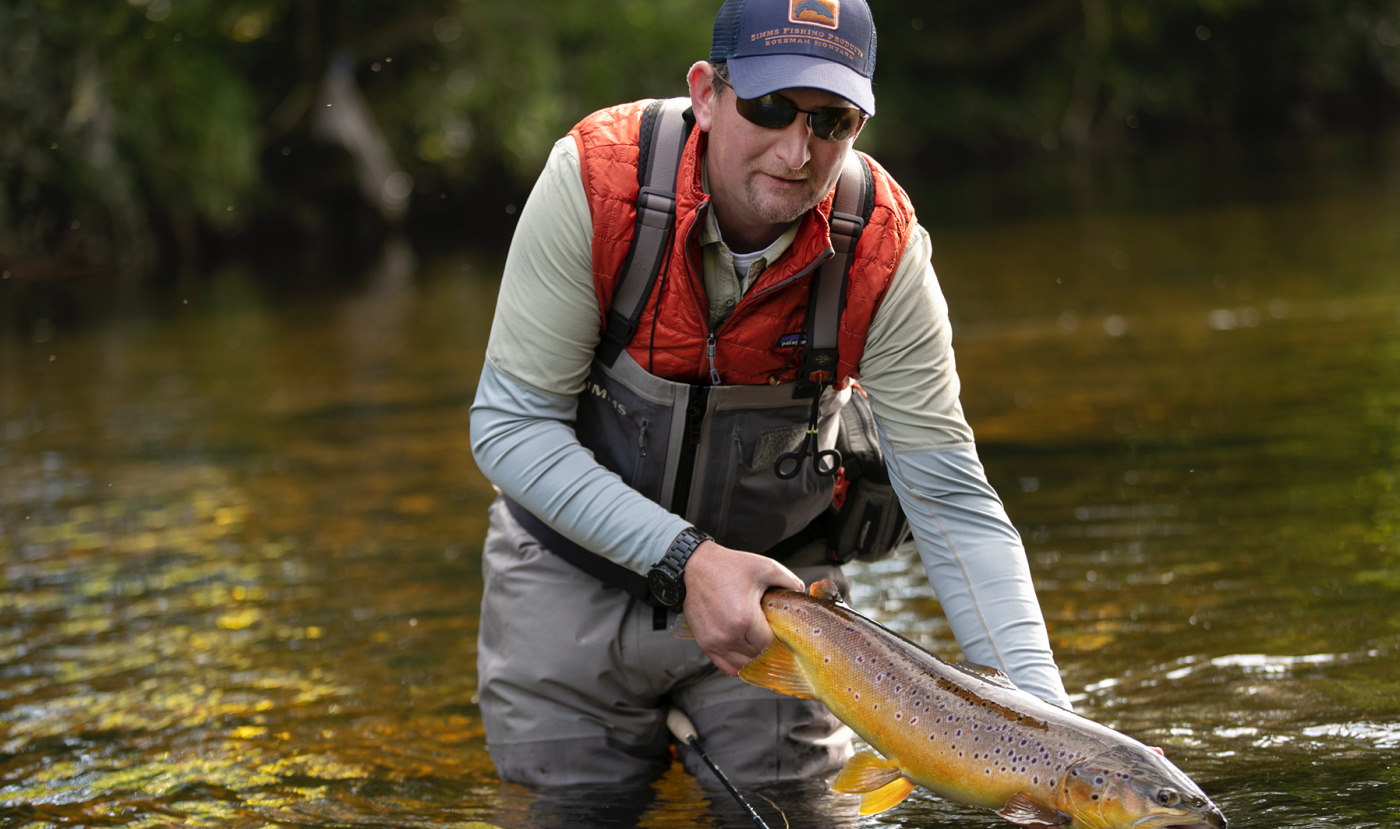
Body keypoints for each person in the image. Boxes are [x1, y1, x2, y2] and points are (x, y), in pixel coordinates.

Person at [469, 0, 1072, 793]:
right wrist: (688, 560)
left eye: (833, 121)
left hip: (784, 615)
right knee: (565, 809)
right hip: (570, 580)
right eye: (770, 107)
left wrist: (1054, 736)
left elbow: (950, 500)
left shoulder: (881, 247)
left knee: (799, 814)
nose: (798, 150)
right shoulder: (596, 181)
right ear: (708, 94)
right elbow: (511, 429)